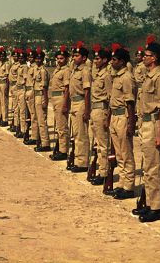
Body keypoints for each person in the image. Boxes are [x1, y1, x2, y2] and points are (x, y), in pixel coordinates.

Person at [135, 36, 160, 222]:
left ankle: (157, 208)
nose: (144, 57)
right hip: (146, 123)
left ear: (154, 58)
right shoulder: (149, 76)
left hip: (156, 123)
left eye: (147, 55)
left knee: (155, 167)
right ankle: (149, 203)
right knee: (148, 167)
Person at [109, 45, 136, 200]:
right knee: (119, 153)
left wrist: (131, 123)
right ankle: (122, 184)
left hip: (123, 118)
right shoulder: (117, 76)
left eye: (114, 60)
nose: (112, 62)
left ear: (122, 61)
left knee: (126, 153)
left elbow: (130, 102)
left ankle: (129, 186)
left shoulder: (127, 77)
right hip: (115, 116)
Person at [66, 41, 91, 172]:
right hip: (74, 102)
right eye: (74, 55)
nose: (74, 58)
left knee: (81, 134)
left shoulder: (85, 71)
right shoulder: (74, 70)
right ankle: (78, 159)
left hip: (81, 102)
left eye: (77, 55)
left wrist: (87, 110)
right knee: (76, 134)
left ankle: (83, 162)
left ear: (84, 58)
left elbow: (87, 91)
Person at [89, 45, 112, 185]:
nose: (95, 61)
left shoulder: (106, 75)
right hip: (95, 110)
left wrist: (108, 117)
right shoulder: (98, 74)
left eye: (98, 58)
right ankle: (101, 170)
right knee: (97, 143)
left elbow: (110, 97)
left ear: (104, 60)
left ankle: (104, 172)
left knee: (104, 144)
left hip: (102, 111)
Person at [49, 45, 71, 161]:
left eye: (61, 58)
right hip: (55, 98)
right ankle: (60, 148)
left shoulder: (66, 70)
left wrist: (65, 104)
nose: (59, 60)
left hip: (61, 98)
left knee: (62, 127)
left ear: (66, 59)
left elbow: (67, 88)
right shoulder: (57, 69)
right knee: (58, 125)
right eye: (57, 58)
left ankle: (63, 151)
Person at [33, 47, 51, 152]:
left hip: (41, 96)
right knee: (38, 120)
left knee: (42, 121)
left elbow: (44, 87)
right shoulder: (36, 69)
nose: (38, 60)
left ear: (43, 59)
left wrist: (45, 100)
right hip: (36, 96)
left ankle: (45, 143)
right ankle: (40, 140)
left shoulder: (43, 71)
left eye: (40, 58)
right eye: (36, 58)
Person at [24, 48, 38, 145]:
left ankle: (34, 136)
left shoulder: (35, 68)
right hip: (27, 90)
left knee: (33, 115)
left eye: (32, 57)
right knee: (29, 114)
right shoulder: (29, 67)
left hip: (32, 91)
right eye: (29, 57)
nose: (30, 58)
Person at [8, 49, 21, 131]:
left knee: (17, 106)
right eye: (14, 56)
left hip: (16, 86)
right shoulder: (13, 64)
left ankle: (17, 124)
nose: (15, 57)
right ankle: (14, 122)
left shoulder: (19, 66)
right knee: (14, 105)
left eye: (17, 56)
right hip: (12, 85)